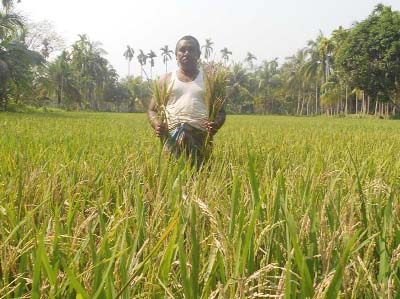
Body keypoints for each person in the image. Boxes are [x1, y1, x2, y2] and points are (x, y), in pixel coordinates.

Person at [148, 35, 226, 167]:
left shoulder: (210, 81)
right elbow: (152, 110)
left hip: (201, 137)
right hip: (172, 137)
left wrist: (216, 124)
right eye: (182, 50)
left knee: (202, 178)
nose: (186, 53)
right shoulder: (165, 79)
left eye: (191, 50)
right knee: (171, 177)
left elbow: (221, 112)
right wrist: (157, 124)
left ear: (198, 54)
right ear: (176, 55)